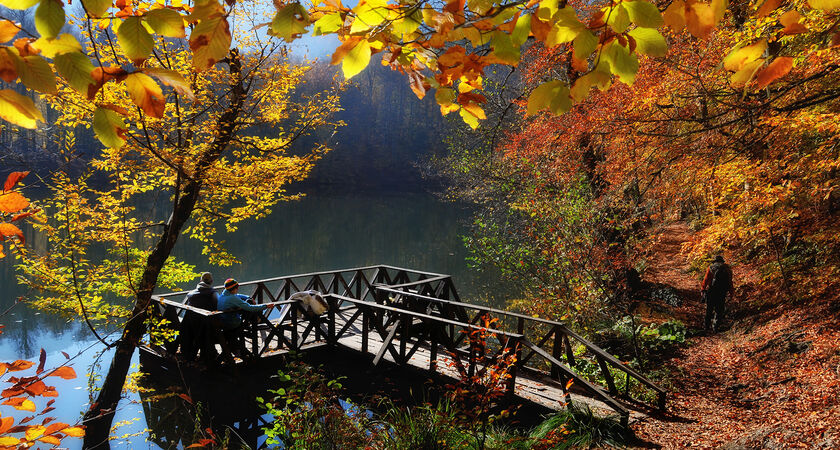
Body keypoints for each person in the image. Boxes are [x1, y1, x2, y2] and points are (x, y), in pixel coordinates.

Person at [179, 272, 219, 362]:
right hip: (207, 326)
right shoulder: (213, 293)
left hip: (191, 325)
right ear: (211, 281)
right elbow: (218, 305)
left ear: (200, 281)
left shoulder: (190, 294)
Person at [701, 255, 734, 332]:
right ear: (722, 261)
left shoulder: (711, 268)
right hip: (722, 292)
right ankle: (715, 327)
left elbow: (705, 280)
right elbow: (730, 282)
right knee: (719, 310)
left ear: (715, 261)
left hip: (712, 291)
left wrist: (703, 289)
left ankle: (706, 327)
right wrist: (731, 293)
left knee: (709, 309)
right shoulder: (727, 269)